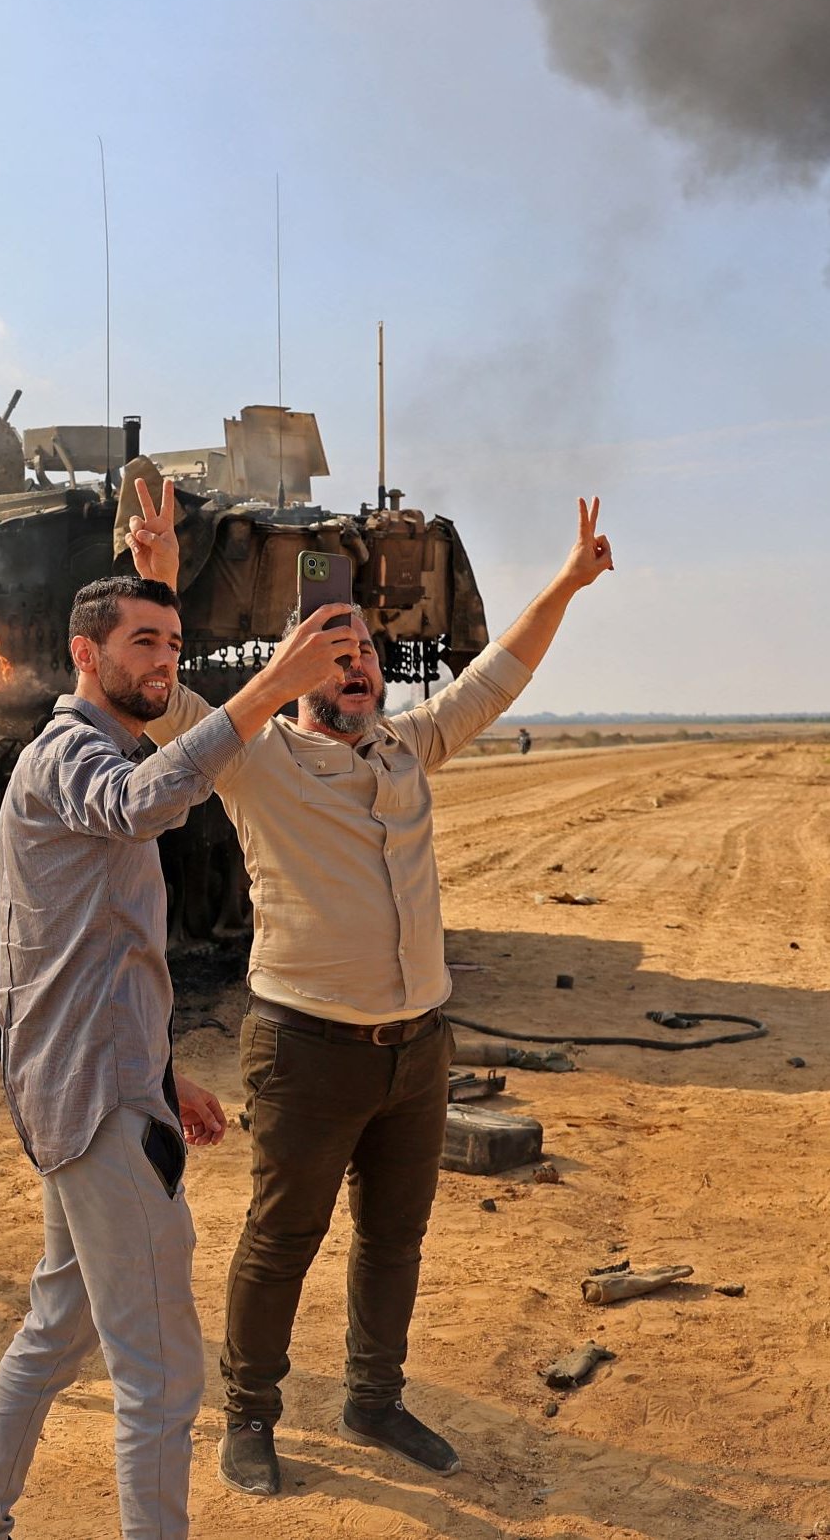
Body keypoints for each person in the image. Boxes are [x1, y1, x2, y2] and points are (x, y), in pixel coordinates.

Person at [127, 483, 614, 1491]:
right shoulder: (254, 759)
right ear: (292, 670)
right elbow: (169, 703)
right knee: (278, 1239)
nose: (353, 664)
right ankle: (250, 1413)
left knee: (394, 1239)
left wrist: (564, 583)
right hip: (306, 1049)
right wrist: (158, 578)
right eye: (328, 650)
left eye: (363, 652)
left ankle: (373, 1399)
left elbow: (499, 675)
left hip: (416, 1047)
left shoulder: (408, 745)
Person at [0, 574, 361, 1540]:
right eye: (141, 641)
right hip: (95, 1103)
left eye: (172, 642)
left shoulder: (87, 753)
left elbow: (76, 953)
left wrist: (160, 1070)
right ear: (83, 653)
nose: (164, 659)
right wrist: (267, 688)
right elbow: (138, 804)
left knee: (57, 1330)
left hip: (99, 1082)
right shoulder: (66, 756)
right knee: (163, 1376)